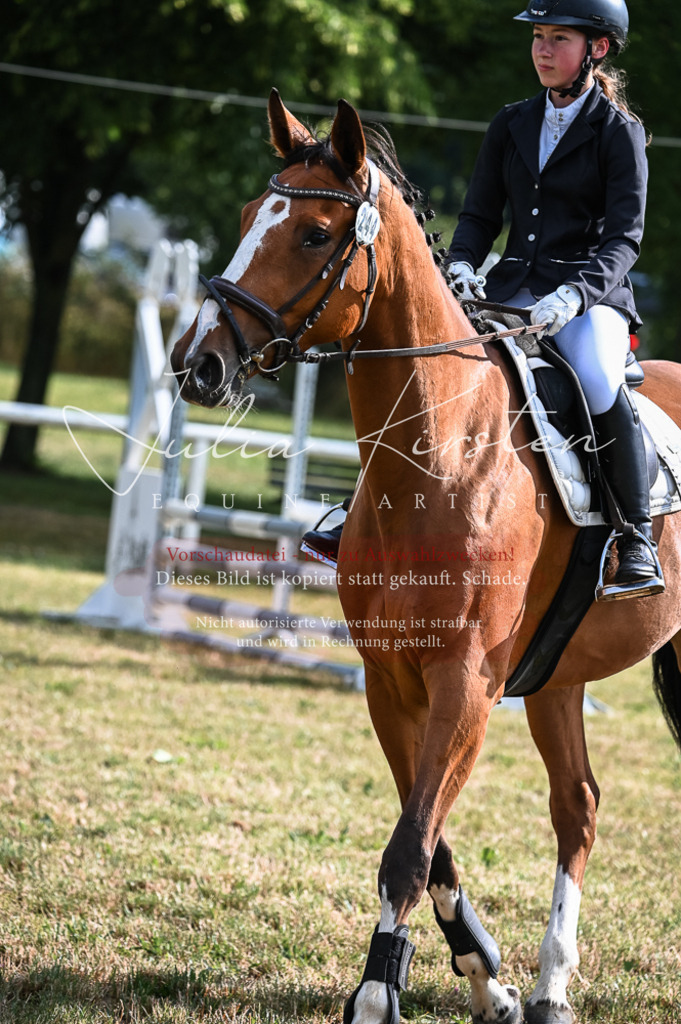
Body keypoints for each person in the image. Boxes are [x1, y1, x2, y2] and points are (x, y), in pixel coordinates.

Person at [302, 0, 664, 600]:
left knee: (598, 379)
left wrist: (574, 295)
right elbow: (478, 215)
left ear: (596, 49)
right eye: (538, 37)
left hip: (588, 298)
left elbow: (625, 238)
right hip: (507, 289)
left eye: (559, 39)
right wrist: (464, 264)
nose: (543, 50)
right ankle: (366, 511)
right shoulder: (510, 123)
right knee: (425, 370)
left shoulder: (618, 133)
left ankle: (636, 538)